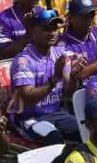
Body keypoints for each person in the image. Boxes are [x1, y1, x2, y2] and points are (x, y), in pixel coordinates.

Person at [9, 8, 83, 144]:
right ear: (33, 32)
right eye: (46, 29)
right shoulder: (23, 61)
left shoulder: (60, 54)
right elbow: (28, 98)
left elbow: (68, 91)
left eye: (54, 29)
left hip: (57, 113)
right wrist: (55, 78)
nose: (52, 33)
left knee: (86, 130)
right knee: (54, 138)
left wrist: (74, 77)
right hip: (28, 116)